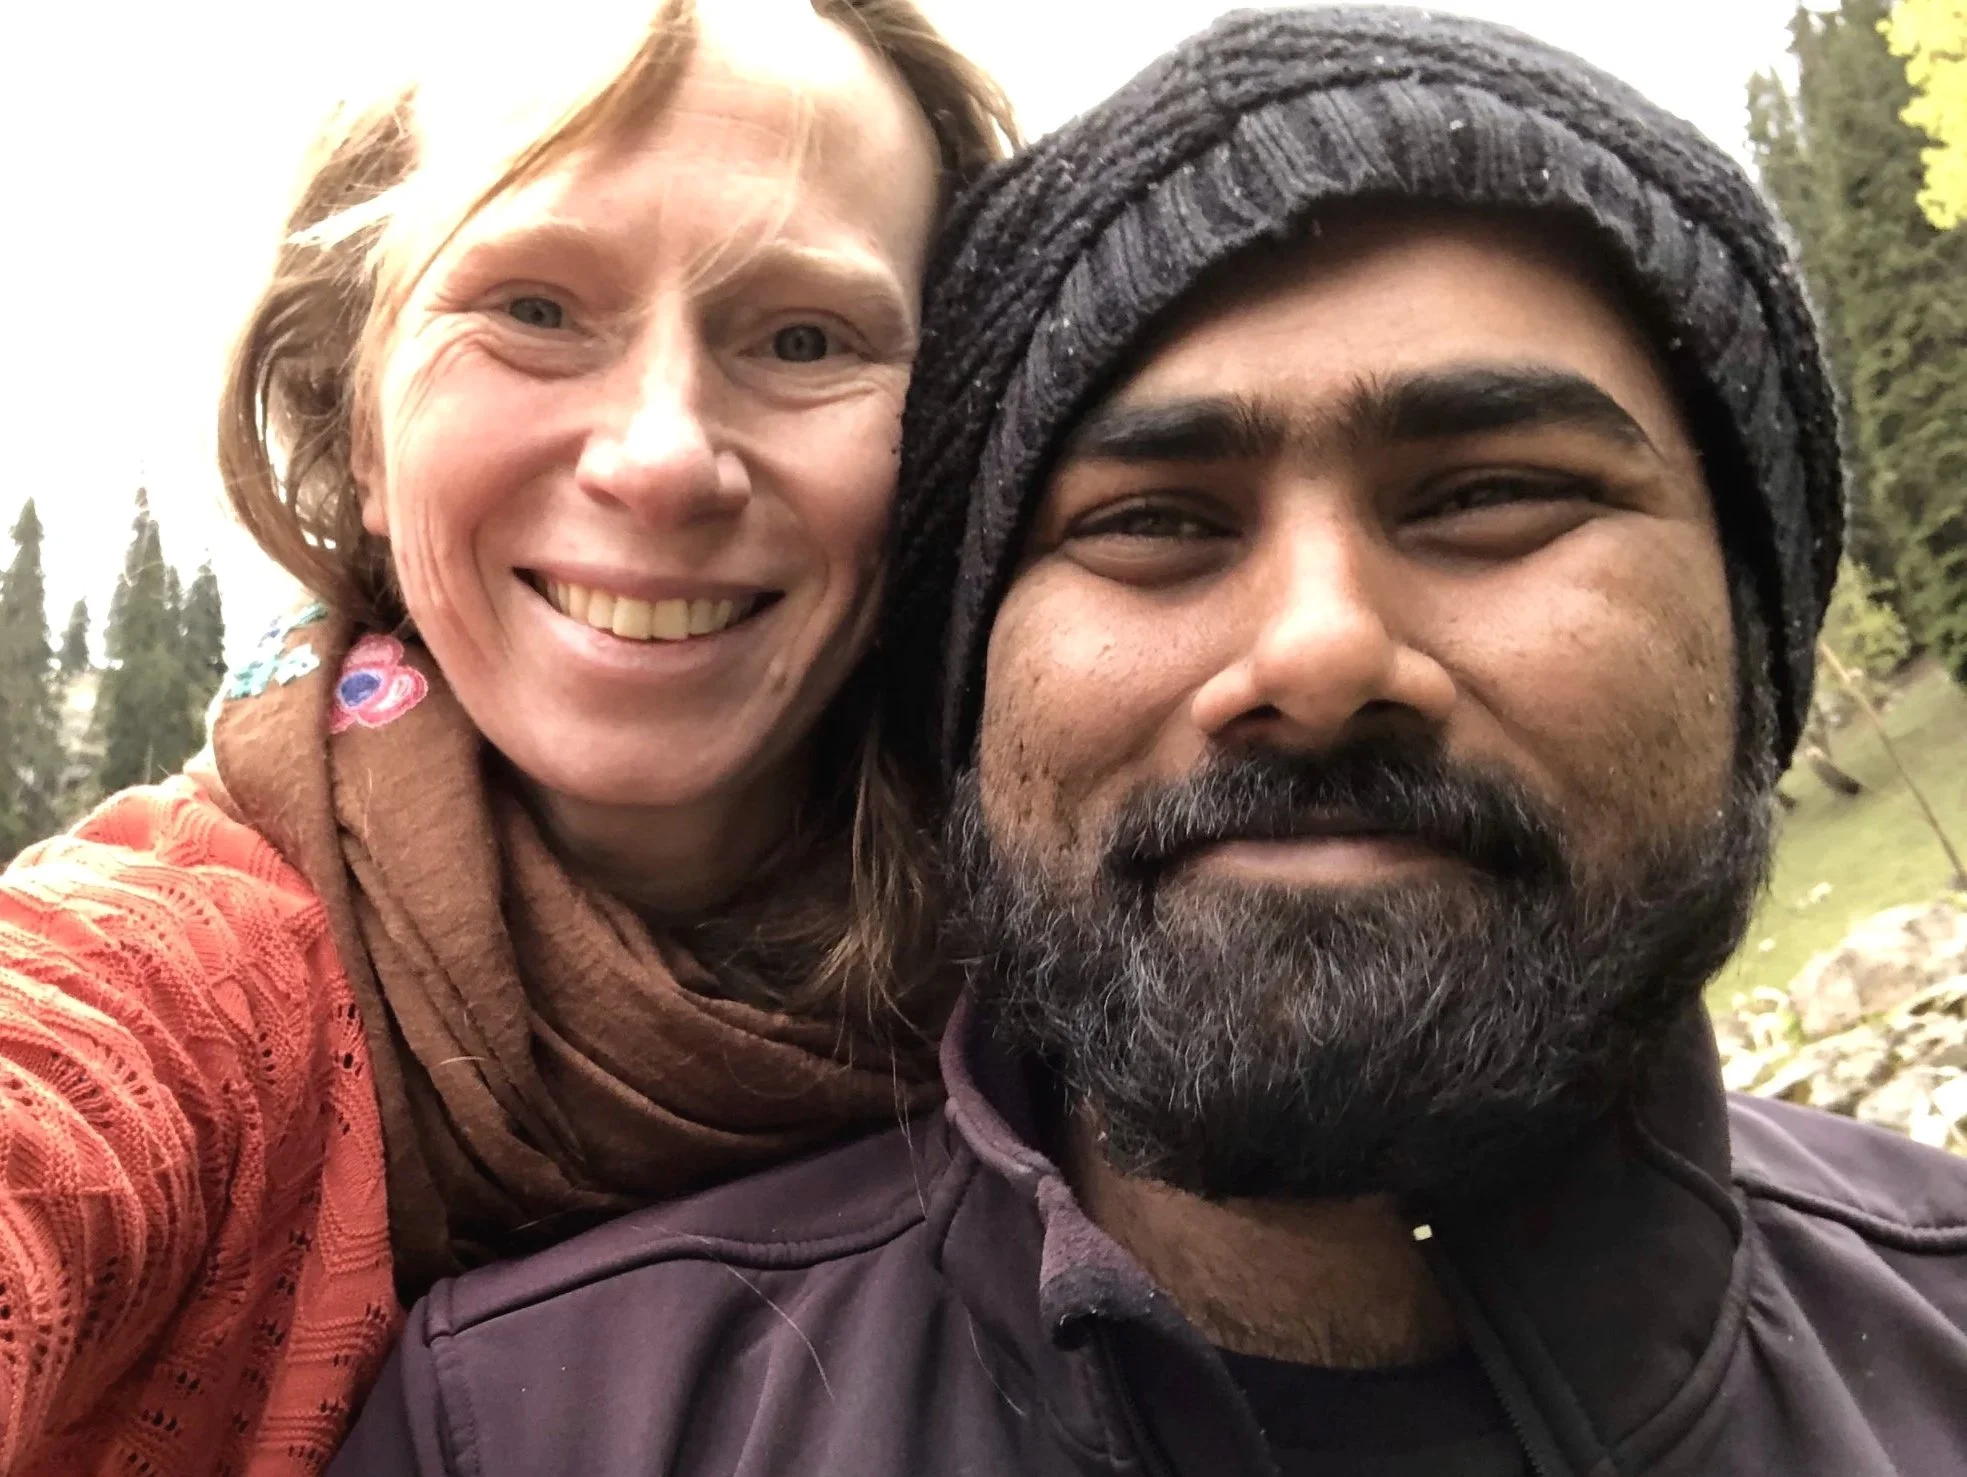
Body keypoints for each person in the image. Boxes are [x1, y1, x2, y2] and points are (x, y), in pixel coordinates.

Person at [332, 8, 1967, 1477]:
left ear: (1763, 628)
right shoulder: (522, 1431)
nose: (1316, 654)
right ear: (961, 690)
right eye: (1154, 522)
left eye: (1489, 496)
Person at [0, 2, 1012, 1472]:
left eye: (805, 337)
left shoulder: (1096, 998)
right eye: (534, 310)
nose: (661, 457)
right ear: (357, 426)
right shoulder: (171, 987)